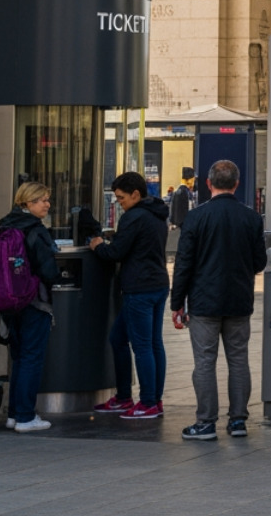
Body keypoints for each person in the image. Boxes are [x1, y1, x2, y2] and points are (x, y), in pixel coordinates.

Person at [170, 159, 269, 442]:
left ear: (208, 183)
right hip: (239, 300)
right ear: (236, 184)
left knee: (204, 362)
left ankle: (205, 422)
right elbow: (259, 262)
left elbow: (184, 264)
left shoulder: (196, 218)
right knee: (238, 360)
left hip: (203, 302)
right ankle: (238, 420)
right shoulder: (251, 218)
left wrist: (177, 302)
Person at [89, 172, 171, 420]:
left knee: (143, 345)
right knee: (133, 340)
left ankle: (147, 402)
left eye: (121, 198)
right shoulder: (157, 214)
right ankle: (134, 398)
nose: (119, 203)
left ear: (136, 194)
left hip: (140, 288)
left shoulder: (134, 217)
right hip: (157, 284)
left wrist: (97, 245)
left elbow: (116, 252)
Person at [0, 181, 61, 432]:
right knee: (32, 357)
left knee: (20, 357)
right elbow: (48, 270)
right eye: (42, 199)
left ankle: (14, 413)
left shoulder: (2, 226)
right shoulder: (34, 229)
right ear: (27, 203)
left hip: (8, 301)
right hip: (34, 301)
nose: (47, 204)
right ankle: (25, 416)